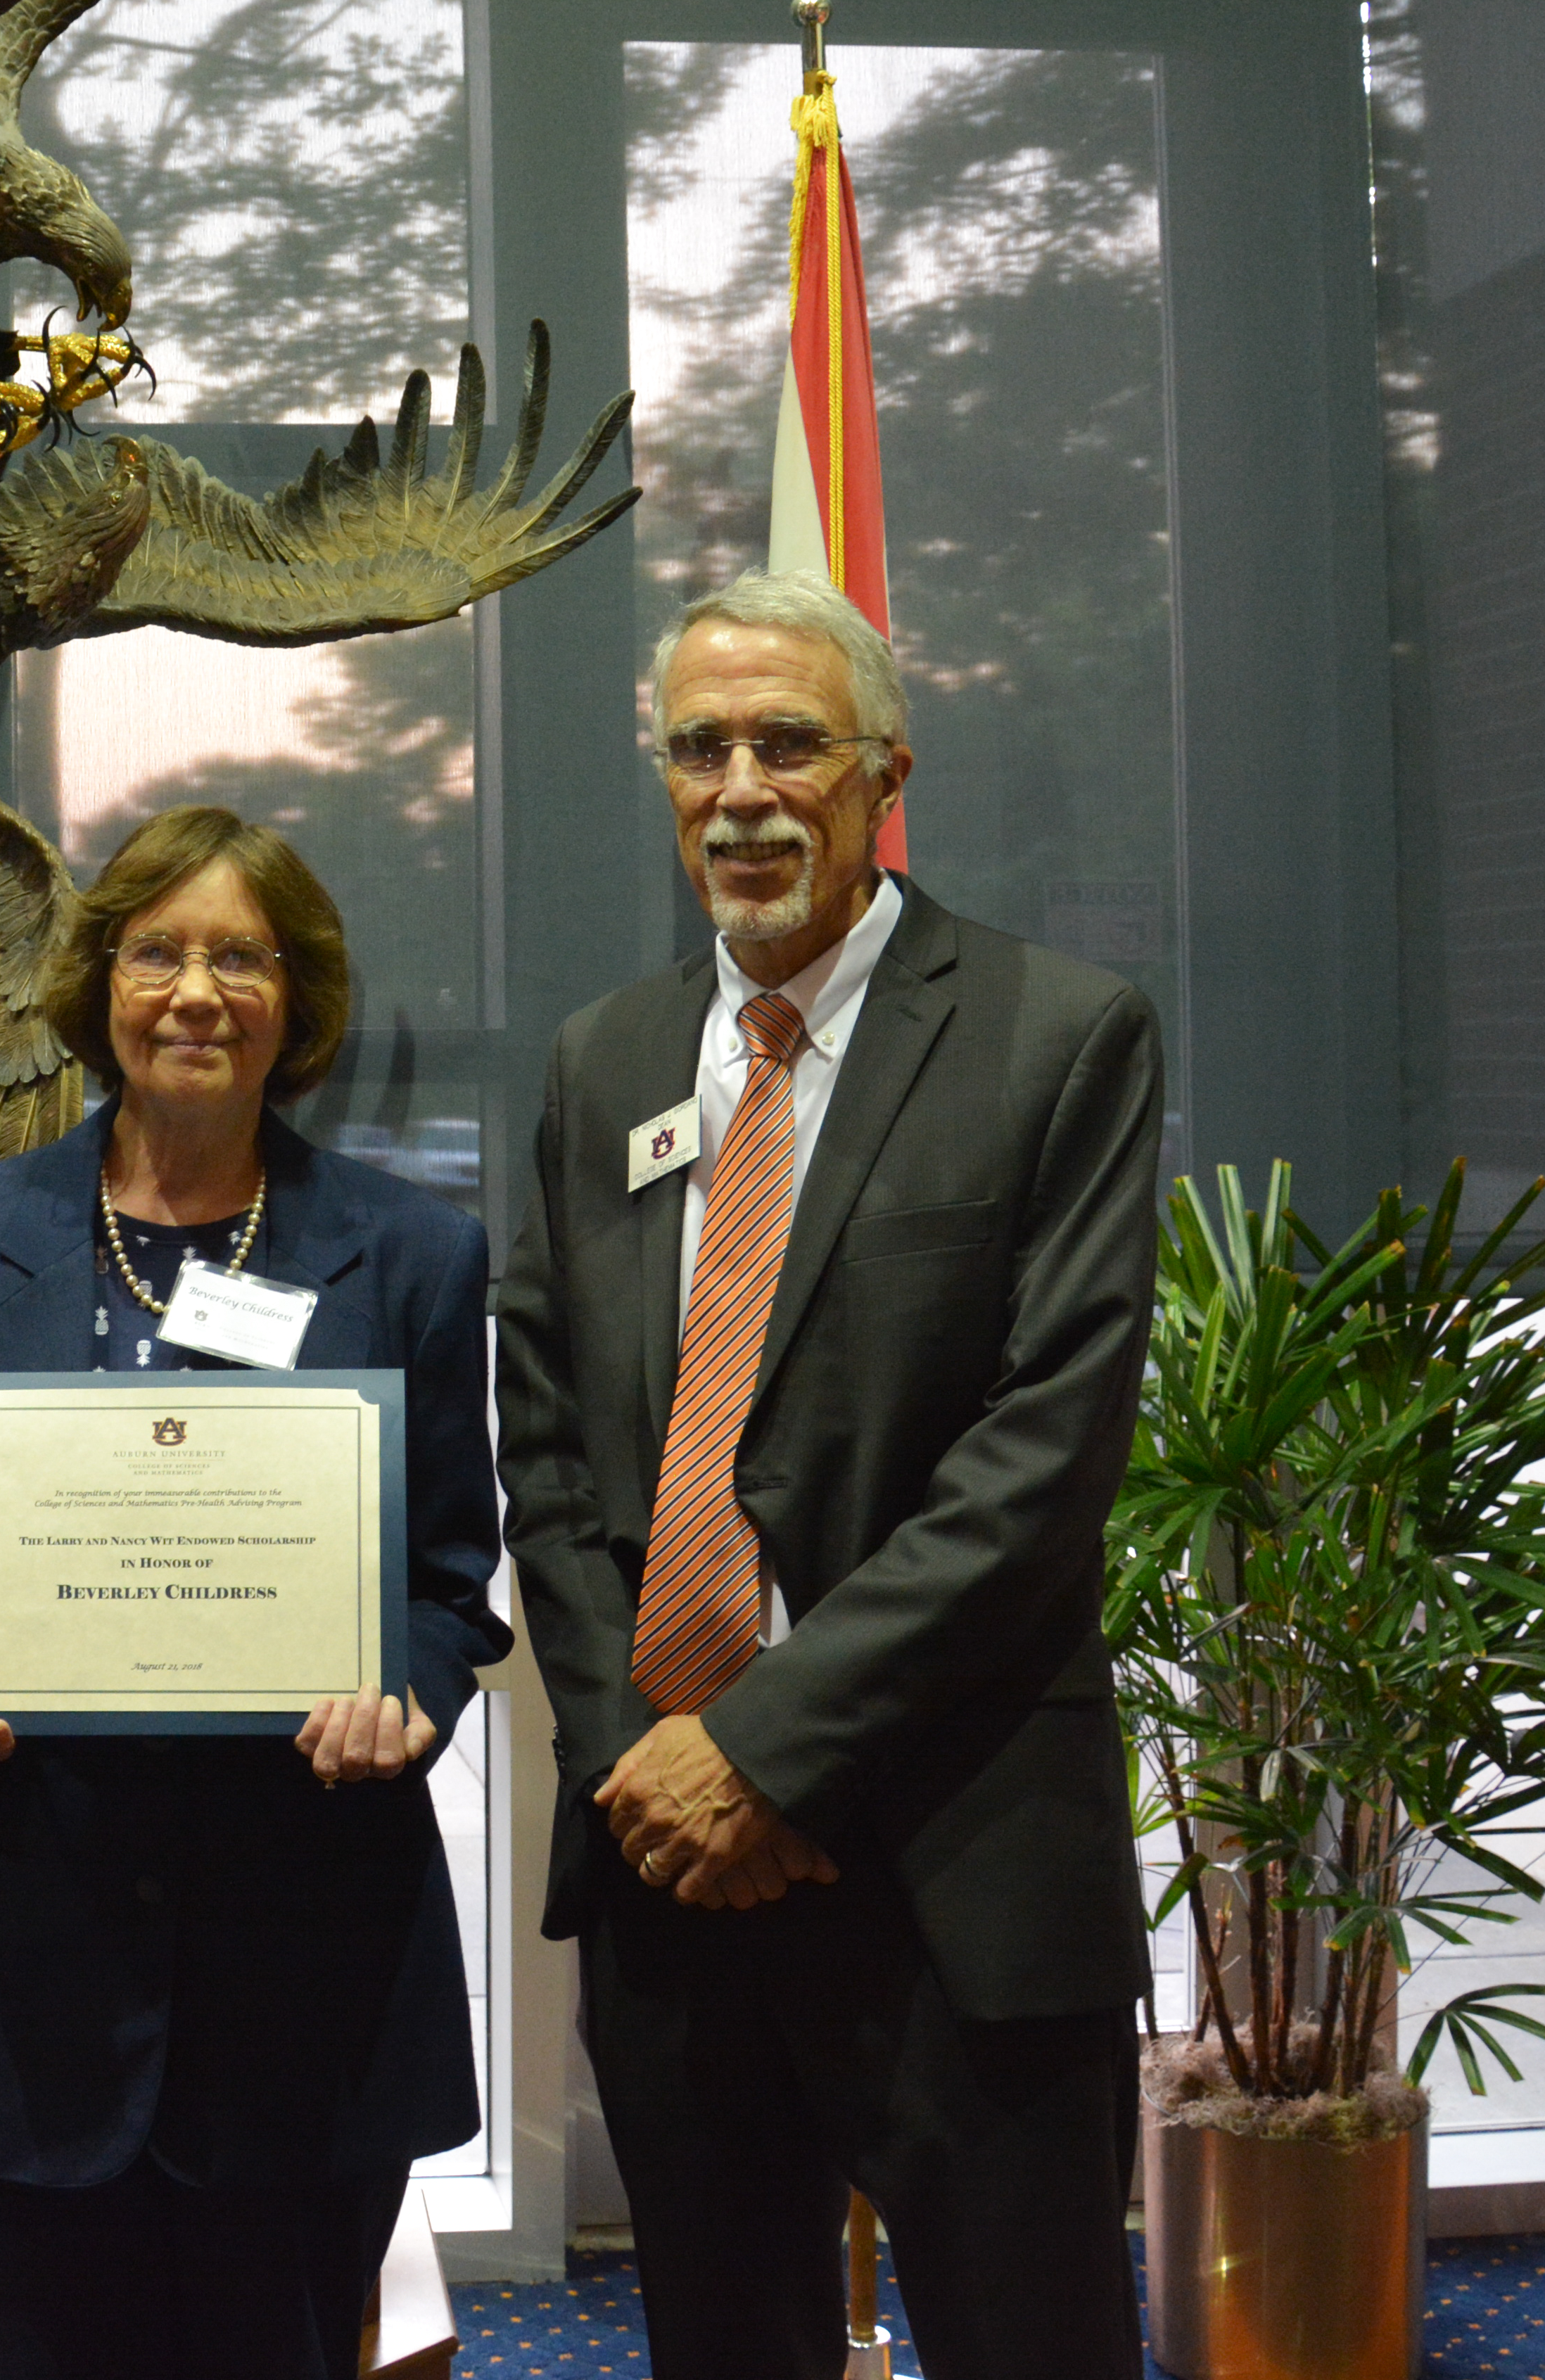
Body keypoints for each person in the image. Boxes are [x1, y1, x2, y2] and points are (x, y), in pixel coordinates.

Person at [490, 571, 1164, 2380]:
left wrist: (764, 1748)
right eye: (699, 746)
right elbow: (546, 1443)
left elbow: (1042, 1458)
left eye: (790, 741)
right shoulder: (603, 1062)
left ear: (885, 777)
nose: (740, 788)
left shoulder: (1057, 1037)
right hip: (671, 1871)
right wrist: (649, 1755)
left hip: (953, 1855)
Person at [0, 806, 509, 2380]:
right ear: (101, 982)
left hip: (304, 1968)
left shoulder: (411, 1252)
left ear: (300, 996)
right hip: (27, 1958)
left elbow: (450, 1574)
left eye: (239, 955)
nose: (195, 990)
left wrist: (403, 1689)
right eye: (158, 949)